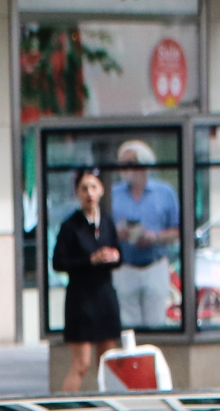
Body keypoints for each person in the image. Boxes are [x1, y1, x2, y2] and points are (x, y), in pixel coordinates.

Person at [53, 166, 121, 391]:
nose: (89, 193)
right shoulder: (70, 226)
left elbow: (120, 256)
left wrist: (113, 256)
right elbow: (59, 263)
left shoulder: (108, 223)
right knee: (81, 364)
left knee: (108, 363)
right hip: (81, 302)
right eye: (84, 189)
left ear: (101, 190)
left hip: (104, 298)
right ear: (77, 194)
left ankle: (110, 410)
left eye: (93, 187)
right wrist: (90, 259)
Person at [109, 139, 180, 337]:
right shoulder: (114, 193)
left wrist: (154, 237)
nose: (125, 168)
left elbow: (178, 231)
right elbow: (103, 230)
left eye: (130, 162)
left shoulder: (164, 193)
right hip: (125, 267)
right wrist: (119, 234)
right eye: (122, 163)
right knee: (128, 326)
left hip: (155, 265)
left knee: (156, 324)